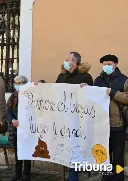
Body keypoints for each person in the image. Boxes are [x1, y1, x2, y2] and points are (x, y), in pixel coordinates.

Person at [83, 54, 127, 181]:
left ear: (115, 65)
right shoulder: (98, 80)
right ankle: (106, 177)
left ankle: (118, 178)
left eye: (109, 64)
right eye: (104, 64)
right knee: (104, 155)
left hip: (117, 123)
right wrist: (85, 88)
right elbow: (91, 96)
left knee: (118, 156)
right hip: (101, 124)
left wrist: (113, 92)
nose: (106, 66)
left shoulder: (124, 80)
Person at [55, 52, 93, 181]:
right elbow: (53, 90)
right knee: (64, 145)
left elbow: (91, 97)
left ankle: (73, 174)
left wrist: (88, 89)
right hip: (63, 117)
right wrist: (41, 84)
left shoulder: (85, 77)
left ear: (74, 62)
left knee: (75, 146)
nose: (64, 61)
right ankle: (63, 174)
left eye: (67, 59)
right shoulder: (61, 75)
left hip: (78, 119)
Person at [7, 75, 31, 181]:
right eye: (15, 83)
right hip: (16, 127)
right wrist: (12, 120)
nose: (16, 85)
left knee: (27, 151)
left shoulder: (30, 95)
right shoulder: (13, 96)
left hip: (27, 128)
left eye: (19, 83)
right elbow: (8, 111)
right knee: (18, 151)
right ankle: (17, 173)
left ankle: (26, 175)